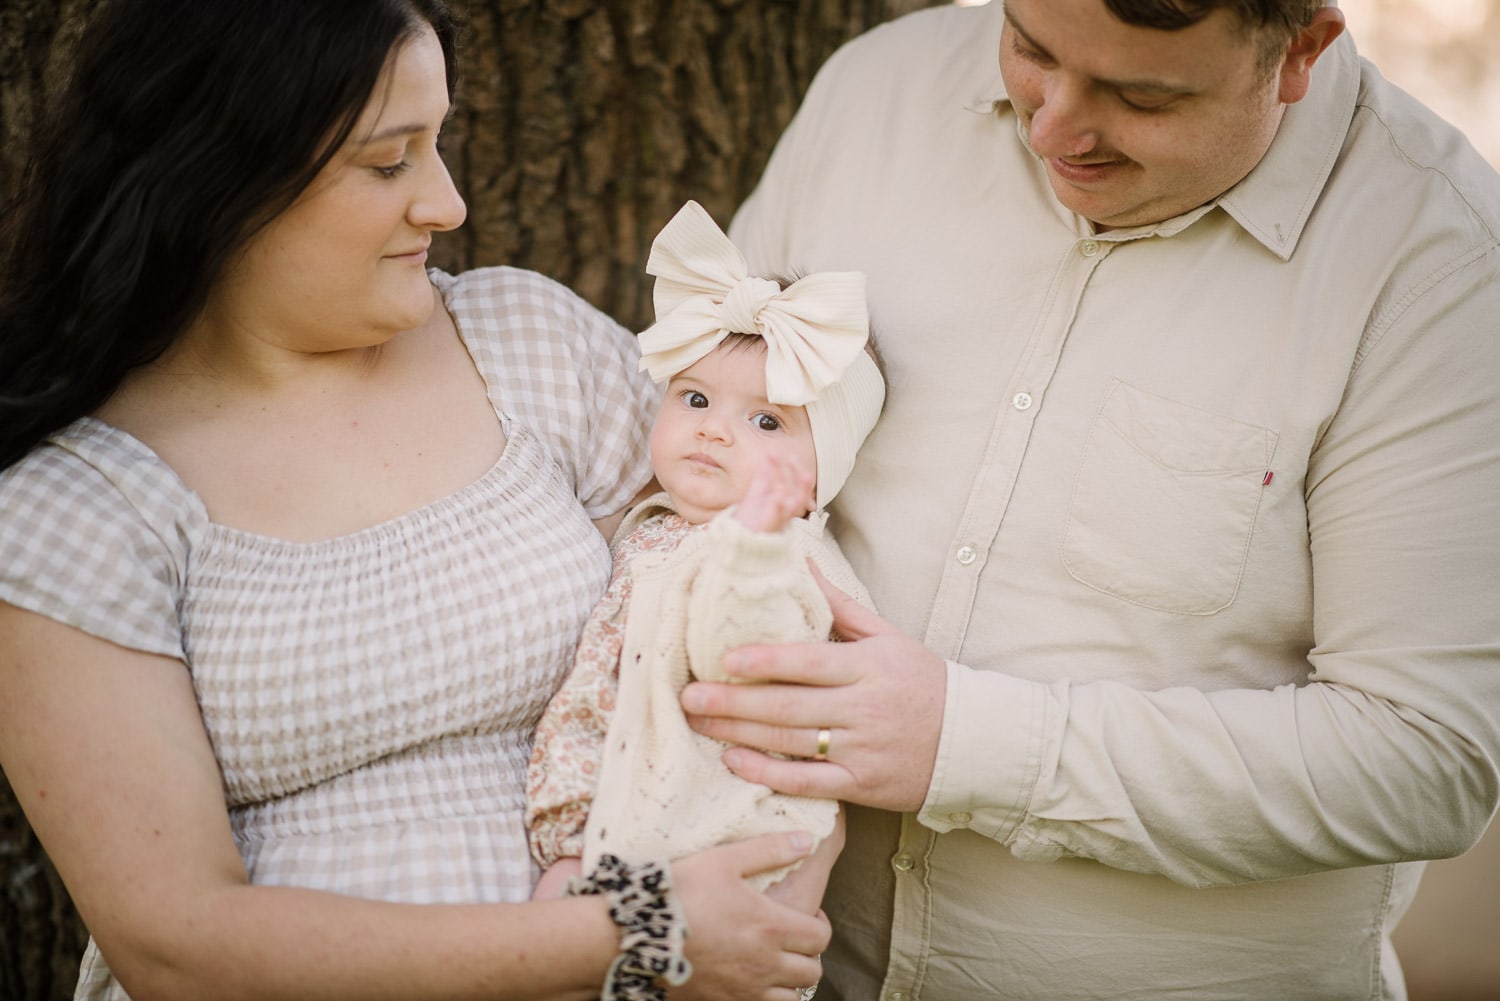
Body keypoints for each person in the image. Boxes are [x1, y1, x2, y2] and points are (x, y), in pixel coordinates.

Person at [0, 2, 833, 999]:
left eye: (438, 144)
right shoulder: (77, 510)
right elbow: (177, 940)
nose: (447, 203)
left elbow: (744, 629)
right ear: (220, 173)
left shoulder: (529, 346)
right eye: (391, 160)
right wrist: (634, 929)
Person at [678, 1, 1500, 998]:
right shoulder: (875, 91)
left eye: (1141, 94)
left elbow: (1424, 759)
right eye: (1030, 48)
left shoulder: (1440, 267)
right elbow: (697, 451)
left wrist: (967, 741)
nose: (1051, 124)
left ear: (1299, 54)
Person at [526, 200, 885, 915]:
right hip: (610, 823)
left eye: (764, 420)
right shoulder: (651, 521)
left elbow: (741, 649)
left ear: (821, 472)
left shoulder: (783, 558)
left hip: (712, 837)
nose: (714, 430)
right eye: (694, 397)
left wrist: (754, 542)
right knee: (556, 946)